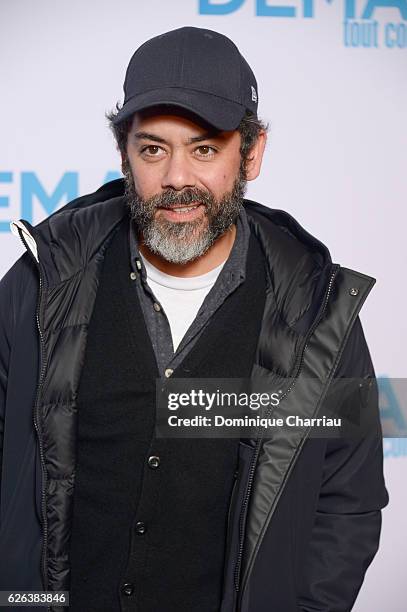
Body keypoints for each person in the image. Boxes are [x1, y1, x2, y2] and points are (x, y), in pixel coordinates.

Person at [0, 26, 388, 612]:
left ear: (251, 153)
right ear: (124, 154)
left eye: (205, 149)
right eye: (153, 148)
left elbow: (347, 500)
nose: (177, 177)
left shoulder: (319, 314)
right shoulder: (40, 285)